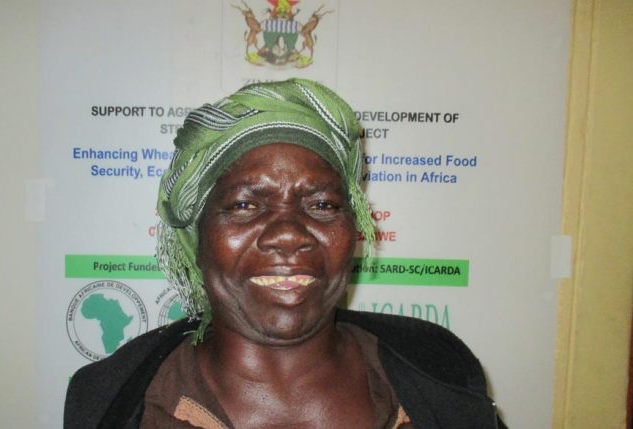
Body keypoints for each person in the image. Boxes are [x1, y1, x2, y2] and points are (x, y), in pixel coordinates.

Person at [64, 79, 506, 428]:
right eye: (244, 205)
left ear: (354, 230)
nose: (290, 234)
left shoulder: (442, 373)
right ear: (196, 239)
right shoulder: (113, 402)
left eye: (322, 206)